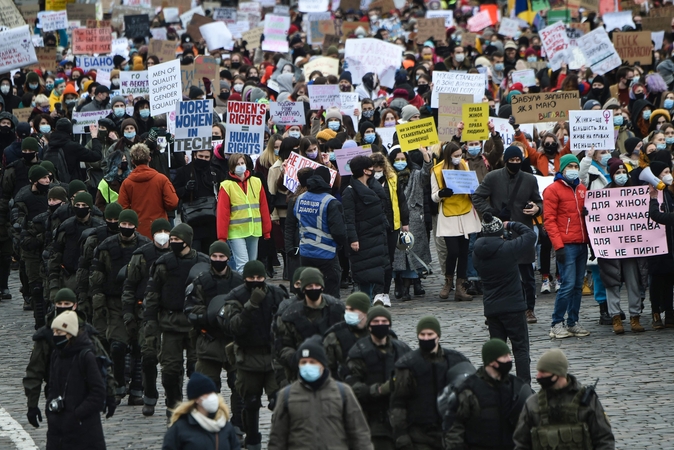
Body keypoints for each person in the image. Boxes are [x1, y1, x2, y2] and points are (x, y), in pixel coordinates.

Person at [218, 260, 287, 450]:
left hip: (273, 358)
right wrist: (251, 305)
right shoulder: (236, 296)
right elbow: (234, 327)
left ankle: (280, 438)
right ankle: (253, 437)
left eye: (259, 277)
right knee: (250, 400)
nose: (256, 281)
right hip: (248, 357)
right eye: (251, 278)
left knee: (279, 399)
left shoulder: (277, 294)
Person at [24, 288, 116, 431]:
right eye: (59, 303)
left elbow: (103, 364)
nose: (63, 307)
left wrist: (110, 394)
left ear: (74, 306)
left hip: (85, 395)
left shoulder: (87, 333)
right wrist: (32, 405)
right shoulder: (47, 336)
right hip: (56, 393)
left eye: (67, 303)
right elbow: (34, 371)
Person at [144, 223, 210, 418]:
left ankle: (197, 405)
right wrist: (150, 321)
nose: (173, 243)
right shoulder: (163, 264)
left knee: (196, 368)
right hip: (170, 323)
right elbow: (153, 293)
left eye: (177, 240)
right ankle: (173, 404)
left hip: (195, 325)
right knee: (170, 370)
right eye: (171, 240)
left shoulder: (203, 263)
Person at [473, 145, 542, 323]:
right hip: (499, 233)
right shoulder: (493, 177)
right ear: (506, 160)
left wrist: (536, 208)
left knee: (527, 274)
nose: (515, 163)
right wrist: (491, 212)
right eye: (512, 160)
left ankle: (529, 309)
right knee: (499, 274)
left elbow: (538, 201)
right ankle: (496, 311)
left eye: (518, 160)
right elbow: (477, 197)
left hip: (522, 231)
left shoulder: (529, 179)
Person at [268, 336, 374, 450]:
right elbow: (277, 439)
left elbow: (359, 433)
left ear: (322, 364)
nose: (307, 366)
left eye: (312, 362)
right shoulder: (287, 395)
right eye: (303, 362)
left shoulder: (343, 392)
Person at [89, 209, 151, 405]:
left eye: (128, 225)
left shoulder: (145, 248)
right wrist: (97, 302)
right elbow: (96, 277)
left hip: (138, 304)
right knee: (117, 345)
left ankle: (137, 389)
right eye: (122, 225)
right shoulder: (106, 247)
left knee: (140, 347)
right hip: (114, 302)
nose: (125, 228)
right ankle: (119, 383)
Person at [184, 241, 245, 436]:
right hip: (208, 340)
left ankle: (238, 425)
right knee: (207, 388)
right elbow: (190, 310)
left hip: (232, 341)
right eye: (215, 257)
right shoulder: (200, 282)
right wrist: (209, 317)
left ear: (228, 258)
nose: (218, 260)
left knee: (239, 386)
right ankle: (210, 424)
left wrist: (231, 318)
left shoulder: (238, 282)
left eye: (222, 257)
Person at [390, 316, 471, 450]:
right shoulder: (407, 365)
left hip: (449, 434)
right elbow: (398, 402)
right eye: (422, 334)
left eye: (430, 334)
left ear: (438, 336)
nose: (426, 338)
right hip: (419, 434)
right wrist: (401, 435)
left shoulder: (456, 360)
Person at [473, 213, 536, 384]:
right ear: (500, 231)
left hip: (492, 309)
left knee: (497, 352)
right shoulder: (509, 249)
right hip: (514, 307)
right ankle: (524, 386)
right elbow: (531, 235)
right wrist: (511, 224)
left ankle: (496, 385)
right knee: (520, 349)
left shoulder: (476, 253)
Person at [513, 349, 615, 450]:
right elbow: (521, 442)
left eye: (543, 372)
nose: (538, 376)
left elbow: (604, 439)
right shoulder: (532, 404)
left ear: (558, 373)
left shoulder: (587, 401)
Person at [121, 218, 172, 417]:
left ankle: (172, 399)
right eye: (158, 231)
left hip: (170, 315)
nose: (162, 235)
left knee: (170, 363)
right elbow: (129, 285)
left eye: (165, 231)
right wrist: (128, 312)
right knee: (148, 356)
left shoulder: (179, 256)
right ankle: (148, 394)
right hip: (146, 313)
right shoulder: (142, 255)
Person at [444, 339, 533, 450]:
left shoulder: (517, 387)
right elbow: (455, 427)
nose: (510, 360)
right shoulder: (468, 390)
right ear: (491, 362)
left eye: (509, 356)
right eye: (505, 357)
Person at [346, 306, 412, 449]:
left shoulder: (402, 349)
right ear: (369, 326)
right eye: (376, 321)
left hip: (401, 419)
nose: (380, 325)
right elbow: (351, 387)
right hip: (372, 419)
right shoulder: (358, 352)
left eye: (384, 321)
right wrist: (379, 390)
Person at [543, 154, 590, 339]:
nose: (573, 168)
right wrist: (558, 246)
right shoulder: (552, 190)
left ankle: (572, 322)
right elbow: (549, 220)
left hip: (581, 244)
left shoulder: (582, 189)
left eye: (575, 165)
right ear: (562, 169)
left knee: (578, 286)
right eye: (569, 166)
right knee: (568, 285)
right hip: (567, 245)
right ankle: (556, 323)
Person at [46, 310, 106, 450]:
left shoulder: (86, 356)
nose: (55, 336)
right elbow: (52, 387)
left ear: (70, 334)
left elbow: (98, 393)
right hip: (58, 432)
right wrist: (50, 410)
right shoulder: (57, 355)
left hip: (84, 432)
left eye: (59, 333)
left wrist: (76, 414)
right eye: (54, 332)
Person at [285, 166, 347, 298]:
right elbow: (339, 232)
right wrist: (341, 245)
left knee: (308, 291)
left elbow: (292, 224)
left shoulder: (299, 199)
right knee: (330, 294)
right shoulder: (330, 202)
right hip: (327, 254)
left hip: (306, 253)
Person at [432, 142, 482, 302]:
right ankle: (448, 282)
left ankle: (460, 286)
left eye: (460, 155)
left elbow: (471, 185)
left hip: (465, 212)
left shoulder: (464, 165)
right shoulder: (437, 170)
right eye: (455, 156)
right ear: (448, 156)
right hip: (449, 215)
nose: (458, 158)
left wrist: (474, 190)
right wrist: (441, 193)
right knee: (452, 251)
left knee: (464, 251)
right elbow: (433, 195)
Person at [276, 267, 345, 382]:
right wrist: (297, 359)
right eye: (309, 286)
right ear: (303, 289)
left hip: (332, 372)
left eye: (317, 286)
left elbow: (346, 337)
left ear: (322, 287)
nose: (314, 289)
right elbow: (283, 345)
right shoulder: (290, 314)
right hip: (301, 371)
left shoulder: (336, 309)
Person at [342, 155, 389, 300]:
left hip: (377, 236)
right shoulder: (349, 192)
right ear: (365, 171)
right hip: (362, 238)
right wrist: (353, 239)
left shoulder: (375, 187)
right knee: (365, 274)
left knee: (378, 271)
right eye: (371, 167)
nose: (373, 169)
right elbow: (349, 219)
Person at [217, 153, 272, 273]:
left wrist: (267, 230)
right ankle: (243, 290)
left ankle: (250, 288)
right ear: (231, 167)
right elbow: (222, 213)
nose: (241, 166)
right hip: (236, 231)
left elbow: (263, 207)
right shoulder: (226, 186)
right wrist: (222, 237)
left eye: (242, 163)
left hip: (254, 229)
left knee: (252, 264)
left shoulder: (256, 182)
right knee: (242, 265)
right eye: (237, 164)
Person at [48, 192, 104, 301]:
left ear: (90, 208)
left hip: (91, 280)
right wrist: (53, 286)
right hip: (69, 278)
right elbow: (55, 257)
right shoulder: (65, 227)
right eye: (77, 205)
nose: (80, 208)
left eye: (84, 205)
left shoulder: (100, 228)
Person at [163, 372, 241, 450]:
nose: (212, 397)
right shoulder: (180, 429)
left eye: (213, 393)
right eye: (207, 394)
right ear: (196, 399)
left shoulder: (225, 426)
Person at [118, 143, 179, 238]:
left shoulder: (127, 183)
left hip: (138, 230)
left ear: (133, 161)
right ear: (149, 159)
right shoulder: (161, 179)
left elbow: (123, 208)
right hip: (160, 229)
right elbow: (173, 202)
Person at [322, 292, 371, 381]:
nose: (348, 313)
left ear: (364, 312)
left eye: (352, 310)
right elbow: (326, 366)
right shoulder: (335, 334)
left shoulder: (376, 331)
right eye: (347, 309)